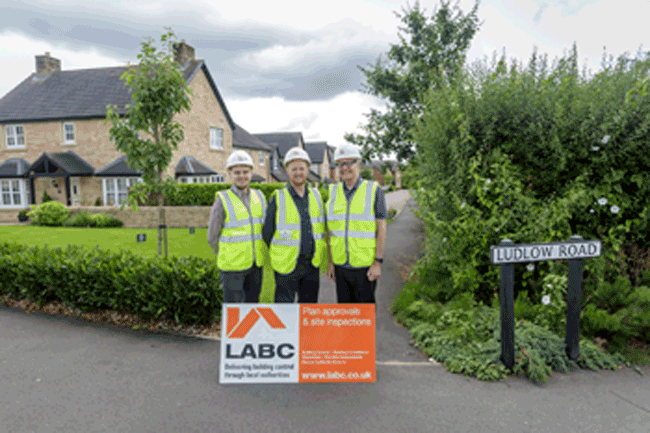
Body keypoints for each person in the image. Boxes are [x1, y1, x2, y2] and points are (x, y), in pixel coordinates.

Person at [263, 147, 327, 303]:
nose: (298, 172)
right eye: (294, 169)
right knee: (284, 310)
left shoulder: (316, 196)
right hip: (287, 264)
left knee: (309, 309)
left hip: (311, 264)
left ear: (307, 170)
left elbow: (321, 226)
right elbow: (267, 233)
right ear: (287, 171)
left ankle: (306, 329)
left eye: (302, 168)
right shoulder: (278, 198)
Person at [326, 145, 387, 303]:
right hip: (341, 267)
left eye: (349, 163)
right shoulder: (333, 192)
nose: (345, 168)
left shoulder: (374, 190)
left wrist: (377, 263)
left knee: (364, 319)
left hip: (365, 268)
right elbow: (330, 230)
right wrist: (331, 262)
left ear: (358, 164)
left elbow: (381, 228)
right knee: (346, 318)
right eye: (340, 164)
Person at [207, 150, 267, 303]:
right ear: (230, 174)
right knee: (234, 312)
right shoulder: (222, 199)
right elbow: (212, 236)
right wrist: (226, 254)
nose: (242, 176)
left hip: (255, 264)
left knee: (252, 307)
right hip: (232, 268)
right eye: (237, 172)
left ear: (251, 172)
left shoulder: (259, 196)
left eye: (245, 172)